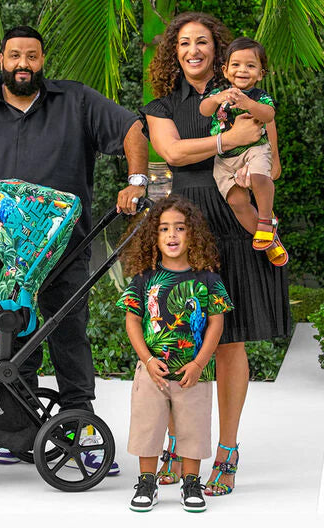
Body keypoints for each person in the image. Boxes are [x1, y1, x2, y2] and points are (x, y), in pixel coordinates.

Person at [0, 25, 148, 469]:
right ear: (1, 59)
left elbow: (132, 128)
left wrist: (136, 181)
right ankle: (20, 431)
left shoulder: (76, 101)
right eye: (15, 55)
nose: (23, 64)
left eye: (31, 56)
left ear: (42, 60)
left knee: (68, 334)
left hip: (63, 250)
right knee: (10, 339)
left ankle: (82, 430)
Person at [141, 12, 291, 496]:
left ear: (218, 51)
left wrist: (252, 163)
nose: (193, 50)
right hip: (184, 225)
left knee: (229, 342)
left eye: (202, 41)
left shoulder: (250, 97)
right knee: (175, 336)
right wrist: (230, 139)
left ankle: (227, 451)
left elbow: (273, 163)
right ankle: (177, 445)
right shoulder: (162, 105)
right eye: (184, 42)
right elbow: (174, 154)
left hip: (234, 221)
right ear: (174, 51)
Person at [117, 195, 233, 512]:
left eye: (180, 228)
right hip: (151, 371)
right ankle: (146, 481)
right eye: (164, 228)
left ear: (192, 234)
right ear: (153, 236)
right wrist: (147, 360)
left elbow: (216, 323)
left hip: (192, 372)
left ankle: (191, 482)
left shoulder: (207, 279)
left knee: (193, 427)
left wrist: (199, 363)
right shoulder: (144, 278)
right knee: (148, 425)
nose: (172, 235)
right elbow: (132, 321)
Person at [199, 37, 288, 265]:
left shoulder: (259, 96)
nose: (242, 70)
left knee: (259, 177)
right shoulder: (220, 92)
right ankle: (270, 241)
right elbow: (204, 109)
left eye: (250, 65)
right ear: (225, 70)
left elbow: (268, 115)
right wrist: (216, 98)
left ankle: (265, 221)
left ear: (260, 74)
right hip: (224, 158)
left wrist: (249, 104)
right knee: (237, 201)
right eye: (236, 64)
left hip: (253, 149)